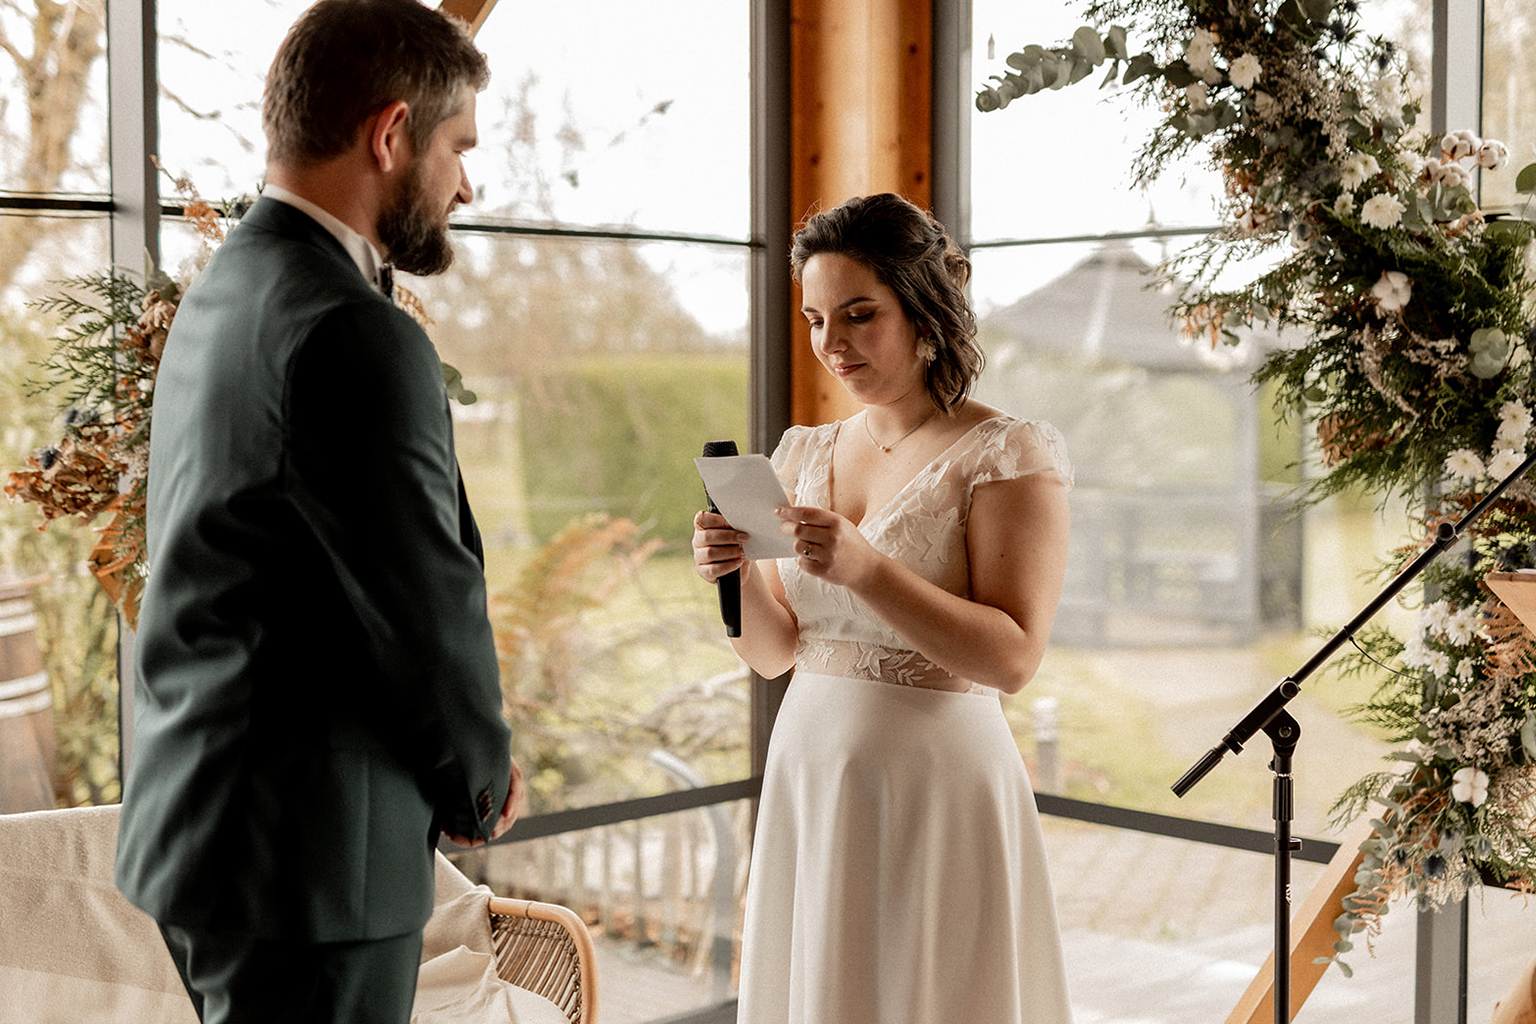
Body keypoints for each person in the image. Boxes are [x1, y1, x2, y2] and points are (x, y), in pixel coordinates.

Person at [114, 2, 523, 1021]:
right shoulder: (353, 329)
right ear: (390, 135)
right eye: (457, 148)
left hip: (214, 835)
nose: (467, 184)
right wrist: (480, 778)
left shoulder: (223, 292)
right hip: (309, 862)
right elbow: (420, 598)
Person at [693, 193, 1075, 1023]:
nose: (833, 343)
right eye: (815, 318)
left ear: (923, 307)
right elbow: (775, 653)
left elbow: (1011, 659)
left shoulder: (1008, 452)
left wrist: (868, 570)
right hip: (813, 775)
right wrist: (738, 577)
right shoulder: (805, 451)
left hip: (937, 788)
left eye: (859, 315)